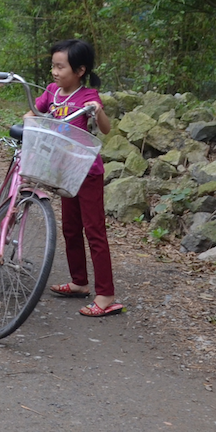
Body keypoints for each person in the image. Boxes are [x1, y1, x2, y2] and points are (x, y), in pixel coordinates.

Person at [33, 39, 125, 318]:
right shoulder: (52, 92)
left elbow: (106, 129)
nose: (55, 72)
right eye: (53, 66)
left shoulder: (88, 97)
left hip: (87, 172)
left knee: (94, 231)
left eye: (61, 67)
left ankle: (106, 294)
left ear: (80, 70)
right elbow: (35, 112)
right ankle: (79, 282)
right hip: (63, 170)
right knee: (70, 229)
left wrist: (98, 111)